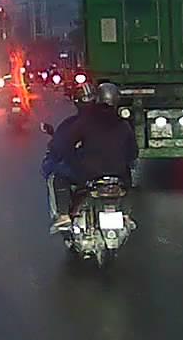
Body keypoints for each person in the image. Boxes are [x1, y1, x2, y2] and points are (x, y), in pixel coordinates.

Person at [43, 82, 138, 233]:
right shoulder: (124, 124)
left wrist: (71, 156)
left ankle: (64, 217)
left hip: (88, 173)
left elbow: (65, 145)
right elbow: (133, 153)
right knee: (129, 178)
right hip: (118, 174)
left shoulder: (84, 121)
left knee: (58, 177)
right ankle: (126, 215)